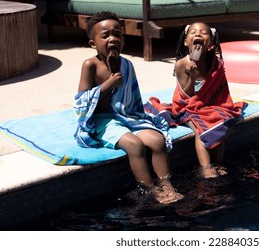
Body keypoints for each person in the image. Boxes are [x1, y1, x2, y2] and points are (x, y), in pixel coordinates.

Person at [73, 11, 183, 204]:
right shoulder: (90, 65)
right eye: (105, 35)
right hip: (101, 120)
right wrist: (108, 85)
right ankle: (150, 190)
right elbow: (81, 102)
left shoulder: (127, 65)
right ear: (93, 44)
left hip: (126, 116)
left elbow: (132, 99)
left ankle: (166, 185)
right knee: (135, 145)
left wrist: (137, 116)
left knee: (157, 141)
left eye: (118, 34)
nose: (113, 39)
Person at [146, 22, 246, 178]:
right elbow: (185, 94)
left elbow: (220, 89)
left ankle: (218, 163)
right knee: (201, 129)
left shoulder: (216, 63)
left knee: (223, 121)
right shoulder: (182, 64)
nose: (198, 34)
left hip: (210, 104)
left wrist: (218, 107)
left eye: (204, 32)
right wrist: (191, 76)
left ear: (211, 43)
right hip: (187, 107)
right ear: (186, 41)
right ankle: (206, 167)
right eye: (193, 32)